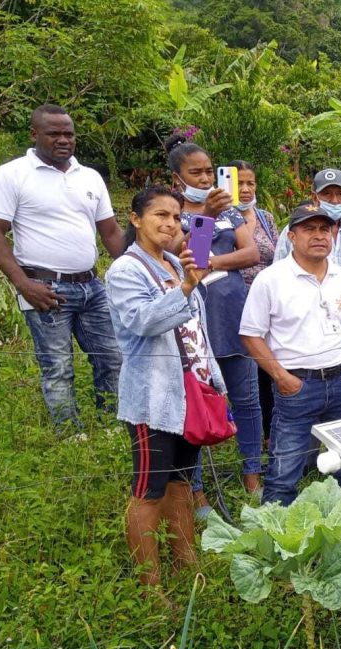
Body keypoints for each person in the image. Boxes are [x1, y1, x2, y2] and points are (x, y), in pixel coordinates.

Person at [104, 185, 224, 593]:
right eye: (159, 215)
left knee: (180, 483)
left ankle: (188, 566)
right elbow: (141, 321)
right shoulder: (126, 270)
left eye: (175, 216)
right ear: (136, 219)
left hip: (188, 393)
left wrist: (213, 379)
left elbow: (197, 331)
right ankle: (151, 588)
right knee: (149, 490)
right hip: (153, 399)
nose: (169, 223)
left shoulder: (174, 261)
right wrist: (187, 287)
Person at [0, 103, 123, 430]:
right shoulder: (11, 175)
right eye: (54, 133)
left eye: (68, 134)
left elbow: (111, 233)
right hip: (44, 287)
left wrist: (139, 272)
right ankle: (70, 436)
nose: (63, 140)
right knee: (58, 368)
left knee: (112, 358)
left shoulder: (89, 177)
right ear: (34, 134)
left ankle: (112, 427)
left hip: (92, 287)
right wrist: (23, 285)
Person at [240, 204, 341, 506]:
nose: (318, 235)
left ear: (334, 234)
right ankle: (276, 537)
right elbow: (250, 334)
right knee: (286, 468)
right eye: (309, 229)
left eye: (325, 229)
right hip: (297, 386)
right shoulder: (272, 279)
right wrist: (280, 377)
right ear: (292, 235)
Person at [165, 135, 263, 503]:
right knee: (197, 401)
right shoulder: (171, 212)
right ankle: (198, 491)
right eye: (196, 172)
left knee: (248, 398)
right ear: (177, 177)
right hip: (194, 319)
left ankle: (252, 472)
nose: (206, 178)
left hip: (235, 311)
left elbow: (250, 252)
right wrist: (204, 218)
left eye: (209, 171)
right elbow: (179, 253)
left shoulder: (231, 210)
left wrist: (212, 264)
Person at [231, 160, 280, 458]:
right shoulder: (219, 218)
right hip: (235, 304)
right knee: (244, 371)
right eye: (239, 184)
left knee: (269, 367)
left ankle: (271, 432)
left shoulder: (265, 218)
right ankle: (247, 435)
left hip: (269, 305)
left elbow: (277, 256)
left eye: (250, 183)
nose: (246, 189)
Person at [275, 168, 341, 302]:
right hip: (304, 305)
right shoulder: (294, 229)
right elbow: (278, 273)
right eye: (327, 194)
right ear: (315, 198)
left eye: (340, 194)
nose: (335, 200)